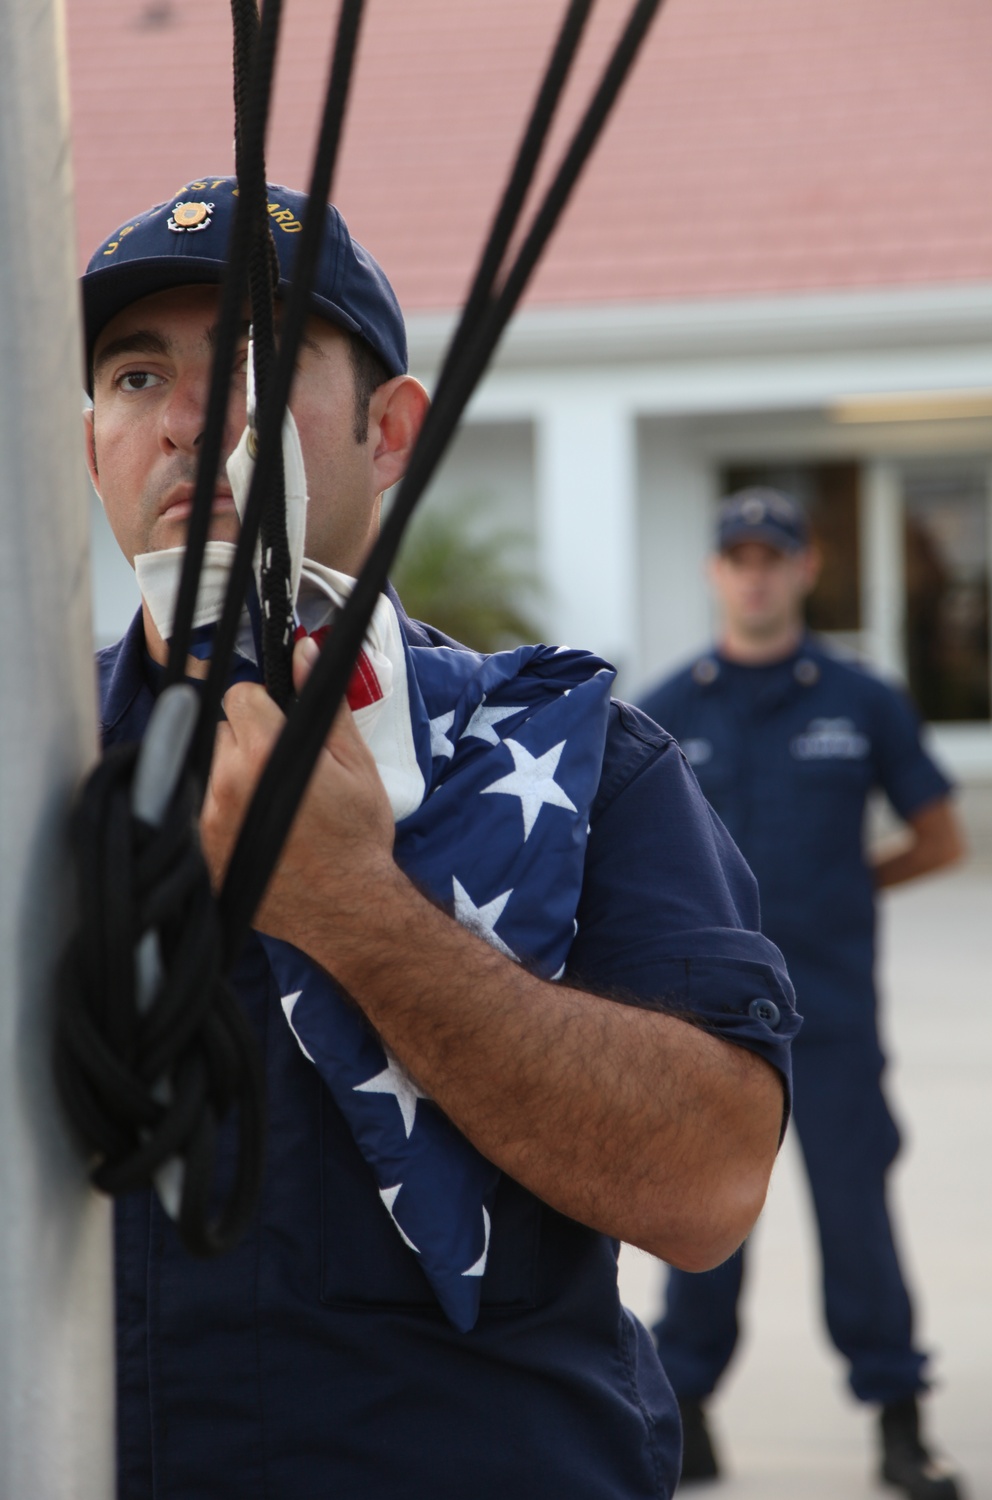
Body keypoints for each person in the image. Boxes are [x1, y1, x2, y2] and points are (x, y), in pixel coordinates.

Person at [80, 179, 800, 1499]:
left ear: (391, 429)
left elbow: (705, 1188)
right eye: (135, 377)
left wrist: (357, 910)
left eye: (254, 366)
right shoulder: (37, 772)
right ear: (92, 446)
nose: (188, 424)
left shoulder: (585, 759)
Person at [638, 488, 965, 1500]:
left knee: (855, 1220)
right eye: (737, 557)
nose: (755, 574)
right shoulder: (667, 708)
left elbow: (939, 836)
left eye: (772, 557)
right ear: (713, 573)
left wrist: (840, 894)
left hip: (829, 1013)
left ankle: (899, 1426)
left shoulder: (860, 700)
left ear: (805, 569)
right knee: (703, 1221)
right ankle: (682, 1416)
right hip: (709, 1028)